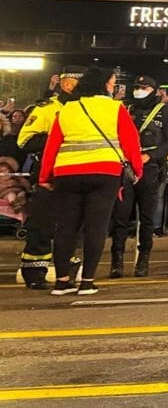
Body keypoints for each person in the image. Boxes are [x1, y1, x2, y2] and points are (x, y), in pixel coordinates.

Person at [39, 67, 143, 296]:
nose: (113, 87)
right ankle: (86, 281)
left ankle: (62, 281)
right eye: (112, 83)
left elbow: (52, 145)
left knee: (66, 227)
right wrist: (137, 170)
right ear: (105, 84)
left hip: (67, 174)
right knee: (96, 227)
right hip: (104, 173)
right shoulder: (115, 108)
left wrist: (45, 176)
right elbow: (130, 142)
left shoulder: (67, 110)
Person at [17, 69, 85, 289]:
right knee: (42, 225)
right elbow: (24, 141)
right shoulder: (46, 109)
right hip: (50, 174)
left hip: (76, 174)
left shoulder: (85, 108)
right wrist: (57, 137)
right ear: (67, 85)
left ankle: (68, 271)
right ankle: (35, 272)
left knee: (72, 226)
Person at [110, 75, 168, 278]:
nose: (139, 90)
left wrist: (151, 155)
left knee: (147, 218)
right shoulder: (126, 110)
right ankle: (117, 261)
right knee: (120, 217)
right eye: (137, 86)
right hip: (126, 167)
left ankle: (143, 260)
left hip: (150, 169)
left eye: (144, 87)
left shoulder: (164, 112)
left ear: (155, 90)